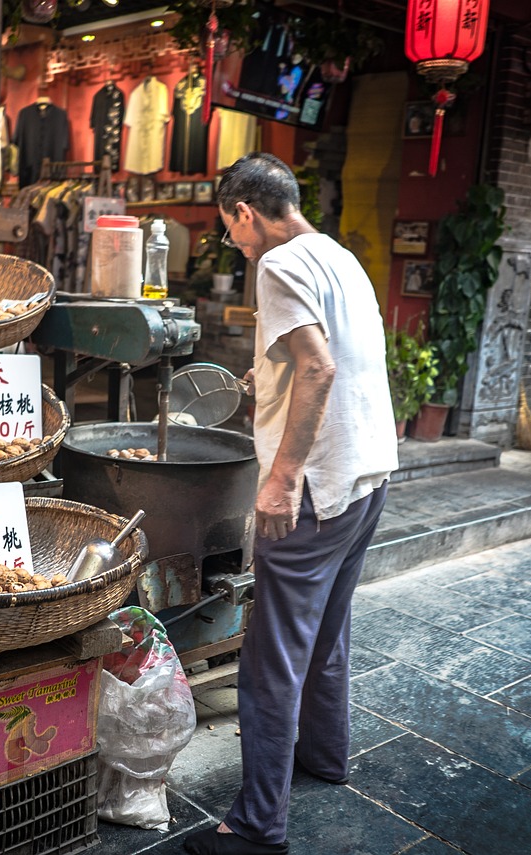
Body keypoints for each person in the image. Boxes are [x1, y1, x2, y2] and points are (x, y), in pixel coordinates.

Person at [183, 153, 398, 855]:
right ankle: (325, 756)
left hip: (317, 491)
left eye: (231, 229)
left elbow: (320, 365)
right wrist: (266, 372)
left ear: (245, 211)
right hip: (370, 475)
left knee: (270, 661)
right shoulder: (337, 254)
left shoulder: (275, 264)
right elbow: (329, 352)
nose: (236, 244)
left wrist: (279, 479)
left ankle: (256, 828)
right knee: (328, 631)